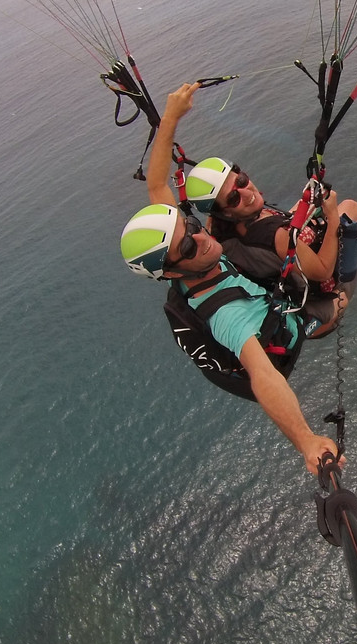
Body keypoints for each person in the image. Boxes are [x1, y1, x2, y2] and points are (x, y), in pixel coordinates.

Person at [120, 81, 340, 475]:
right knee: (336, 299)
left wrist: (169, 118)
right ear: (169, 272)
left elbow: (156, 184)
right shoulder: (225, 311)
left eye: (192, 227)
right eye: (187, 249)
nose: (201, 239)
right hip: (281, 339)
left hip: (262, 299)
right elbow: (262, 377)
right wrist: (307, 441)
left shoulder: (194, 251)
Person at [182, 149, 357, 336]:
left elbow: (277, 235)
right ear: (225, 212)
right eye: (233, 199)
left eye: (241, 181)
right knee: (349, 208)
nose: (247, 193)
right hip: (332, 287)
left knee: (309, 203)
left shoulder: (218, 235)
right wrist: (332, 218)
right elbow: (322, 271)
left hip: (291, 281)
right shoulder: (276, 236)